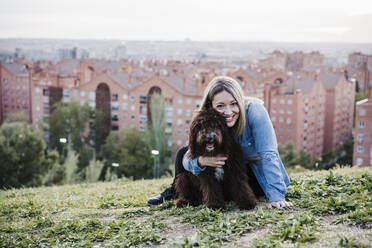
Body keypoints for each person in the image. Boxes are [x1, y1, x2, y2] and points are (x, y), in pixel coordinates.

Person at [147, 76, 293, 209]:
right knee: (182, 153)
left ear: (240, 101)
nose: (228, 112)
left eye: (234, 104)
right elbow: (189, 154)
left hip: (254, 175)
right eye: (221, 106)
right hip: (224, 176)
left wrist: (277, 197)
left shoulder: (254, 111)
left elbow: (269, 154)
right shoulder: (208, 119)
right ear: (211, 106)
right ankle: (176, 192)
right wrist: (201, 161)